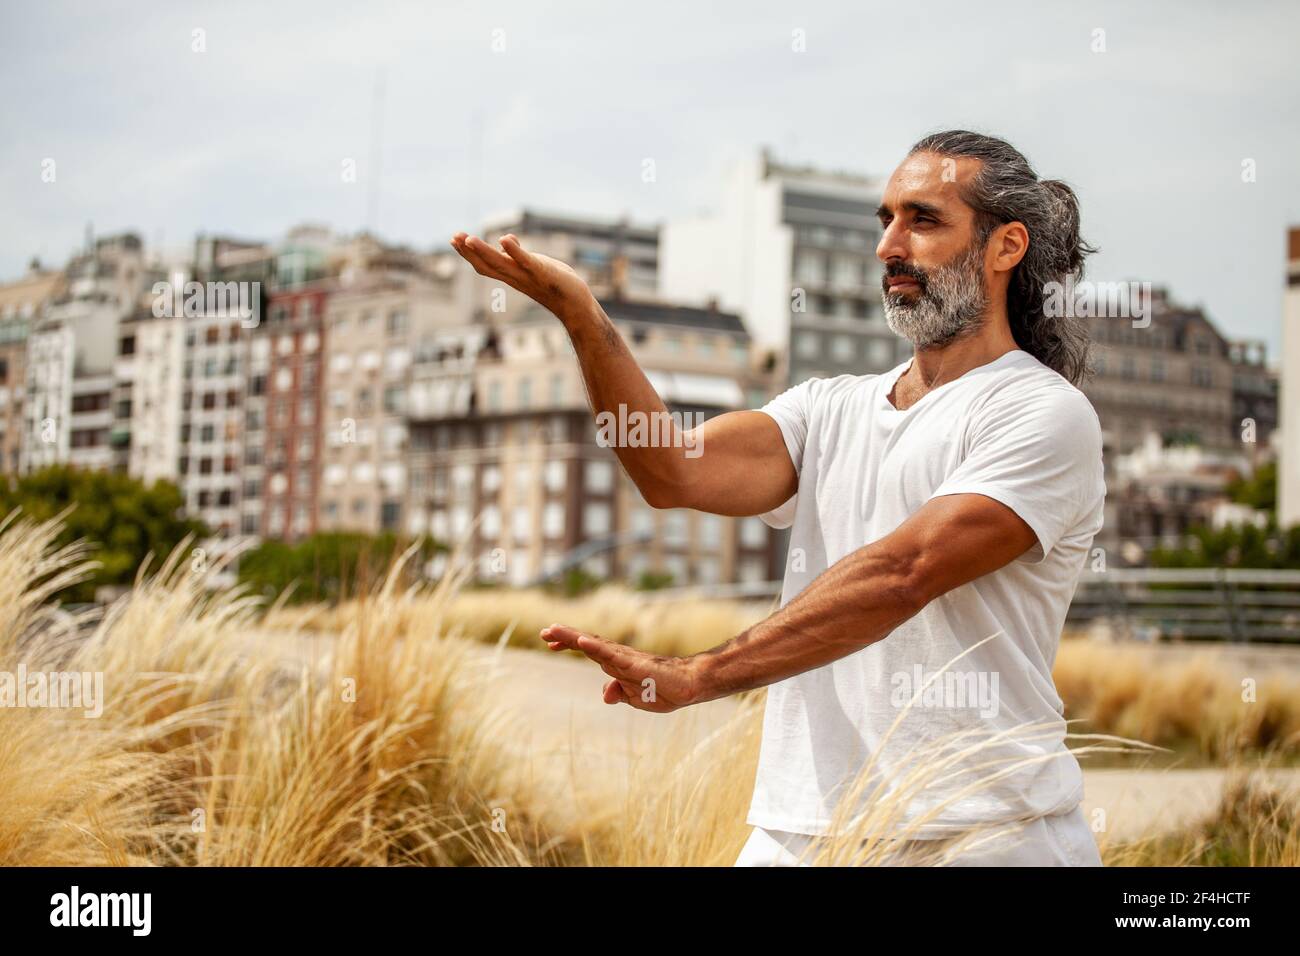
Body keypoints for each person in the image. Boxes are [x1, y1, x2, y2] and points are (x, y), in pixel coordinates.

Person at [451, 129, 1105, 866]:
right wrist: (583, 317)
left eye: (923, 220)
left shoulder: (1042, 414)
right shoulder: (828, 407)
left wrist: (697, 676)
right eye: (885, 220)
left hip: (984, 835)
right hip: (798, 830)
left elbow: (903, 573)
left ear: (1005, 247)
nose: (890, 245)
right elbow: (670, 470)